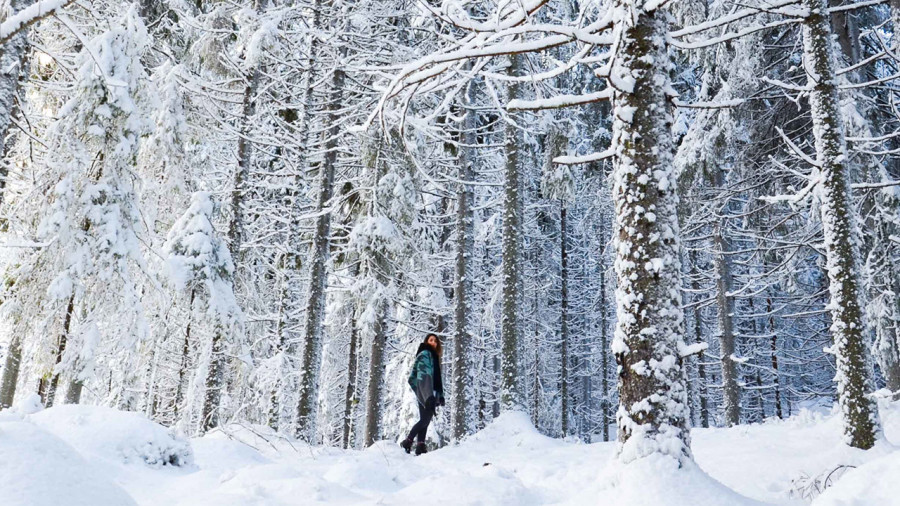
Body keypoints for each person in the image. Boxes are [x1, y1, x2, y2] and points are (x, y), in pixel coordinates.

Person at [400, 333, 445, 455]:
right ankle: (408, 441)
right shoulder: (425, 354)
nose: (434, 343)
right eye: (431, 340)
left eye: (435, 341)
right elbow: (424, 376)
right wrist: (428, 395)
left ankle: (420, 445)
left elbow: (435, 379)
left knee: (425, 419)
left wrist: (439, 396)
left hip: (430, 392)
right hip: (426, 391)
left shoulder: (433, 356)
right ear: (426, 341)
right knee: (425, 420)